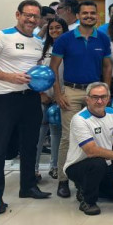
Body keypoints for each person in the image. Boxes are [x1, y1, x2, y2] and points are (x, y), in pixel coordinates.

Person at [0, 0, 51, 213]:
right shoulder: (0, 36)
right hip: (5, 99)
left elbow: (36, 71)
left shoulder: (38, 42)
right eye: (28, 15)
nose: (31, 19)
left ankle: (28, 187)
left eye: (35, 16)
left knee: (30, 145)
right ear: (18, 15)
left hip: (30, 98)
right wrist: (9, 77)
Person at [50, 0, 112, 198]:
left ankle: (86, 180)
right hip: (72, 92)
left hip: (95, 93)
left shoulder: (103, 39)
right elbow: (53, 68)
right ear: (77, 16)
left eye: (92, 13)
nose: (89, 16)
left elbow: (107, 67)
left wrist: (106, 92)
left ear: (97, 16)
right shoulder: (65, 39)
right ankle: (63, 180)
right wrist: (58, 94)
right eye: (85, 13)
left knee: (95, 136)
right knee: (68, 137)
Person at [64, 82, 113, 215]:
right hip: (78, 166)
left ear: (108, 99)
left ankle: (88, 188)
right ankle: (88, 201)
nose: (99, 101)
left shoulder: (112, 114)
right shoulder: (80, 119)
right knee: (97, 162)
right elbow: (92, 151)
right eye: (95, 97)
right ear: (87, 99)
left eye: (103, 97)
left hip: (105, 165)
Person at [35, 17, 68, 182]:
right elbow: (35, 72)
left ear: (64, 29)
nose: (55, 31)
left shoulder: (69, 47)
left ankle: (54, 167)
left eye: (58, 27)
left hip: (61, 96)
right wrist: (42, 93)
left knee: (57, 133)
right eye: (51, 28)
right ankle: (34, 168)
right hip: (43, 96)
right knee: (39, 133)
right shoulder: (42, 48)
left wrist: (60, 95)